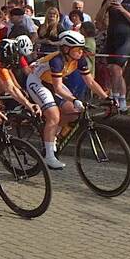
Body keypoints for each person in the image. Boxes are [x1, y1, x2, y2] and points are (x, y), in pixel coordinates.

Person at [26, 31, 111, 169]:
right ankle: (49, 156)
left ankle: (52, 136)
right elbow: (58, 88)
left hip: (53, 83)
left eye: (82, 49)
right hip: (37, 82)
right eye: (77, 49)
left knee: (73, 111)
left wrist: (107, 98)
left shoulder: (79, 59)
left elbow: (90, 82)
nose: (80, 52)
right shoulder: (57, 60)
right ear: (66, 49)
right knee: (53, 116)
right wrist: (74, 99)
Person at [96, 0, 130, 114]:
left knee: (116, 69)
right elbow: (98, 21)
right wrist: (106, 7)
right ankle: (121, 101)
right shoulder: (109, 0)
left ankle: (117, 101)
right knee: (113, 70)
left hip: (126, 39)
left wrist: (122, 10)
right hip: (111, 38)